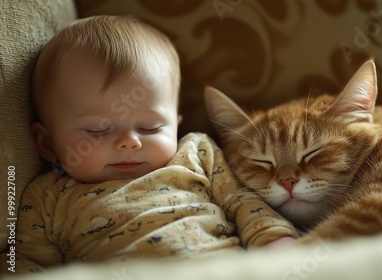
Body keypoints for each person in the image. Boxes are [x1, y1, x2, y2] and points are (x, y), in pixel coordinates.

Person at [11, 15, 297, 274]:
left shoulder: (195, 153)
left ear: (176, 125)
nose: (129, 142)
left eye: (150, 127)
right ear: (48, 143)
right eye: (97, 130)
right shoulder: (47, 196)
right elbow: (25, 262)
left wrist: (274, 240)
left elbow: (242, 202)